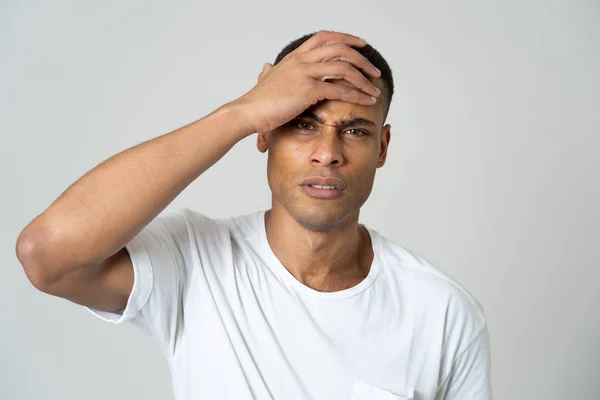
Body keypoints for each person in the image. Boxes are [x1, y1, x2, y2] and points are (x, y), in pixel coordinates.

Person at [16, 30, 492, 400]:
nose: (327, 153)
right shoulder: (194, 263)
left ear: (382, 148)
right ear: (266, 133)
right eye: (303, 124)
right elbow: (47, 254)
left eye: (355, 131)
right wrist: (241, 113)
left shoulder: (442, 311)